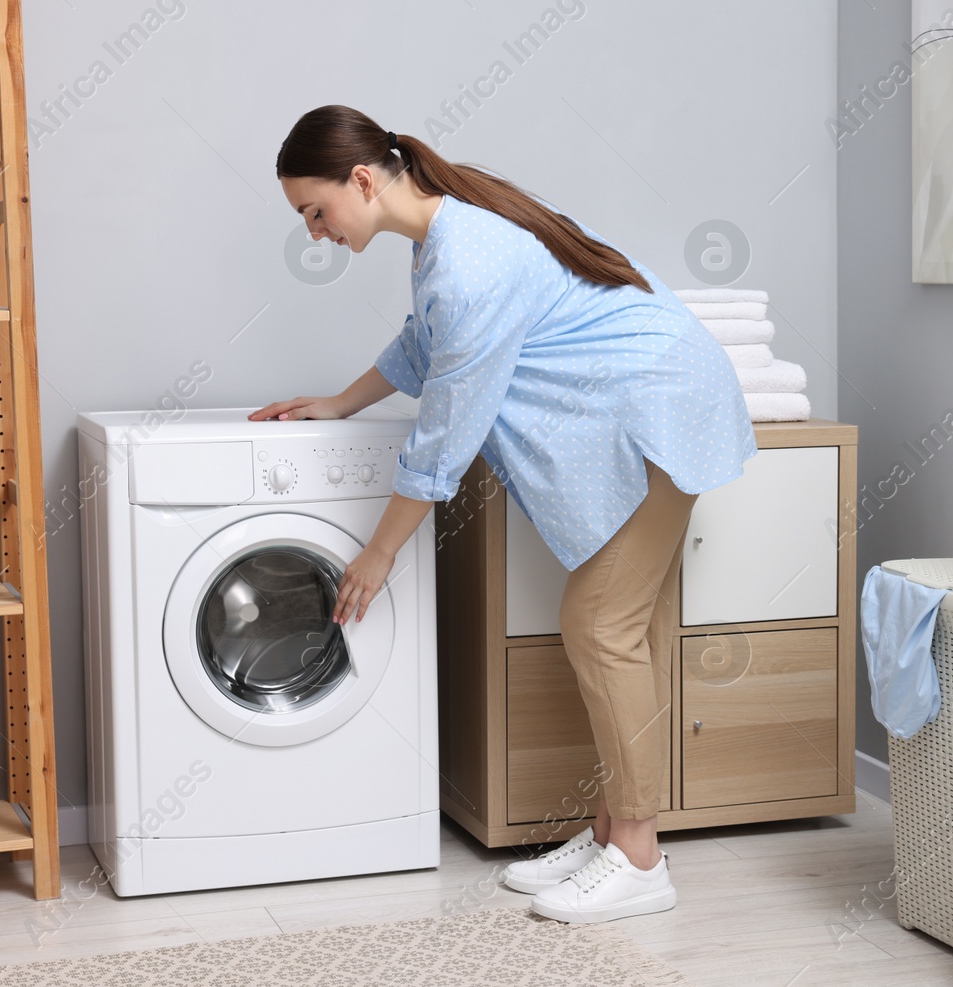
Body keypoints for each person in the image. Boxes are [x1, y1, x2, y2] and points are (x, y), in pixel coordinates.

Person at [254, 105, 756, 923]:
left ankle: (638, 855)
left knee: (601, 625)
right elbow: (428, 346)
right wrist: (341, 403)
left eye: (315, 210)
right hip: (648, 402)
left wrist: (378, 553)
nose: (315, 231)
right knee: (624, 628)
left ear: (361, 179)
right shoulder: (442, 239)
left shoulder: (467, 259)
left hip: (663, 408)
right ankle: (610, 833)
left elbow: (447, 430)